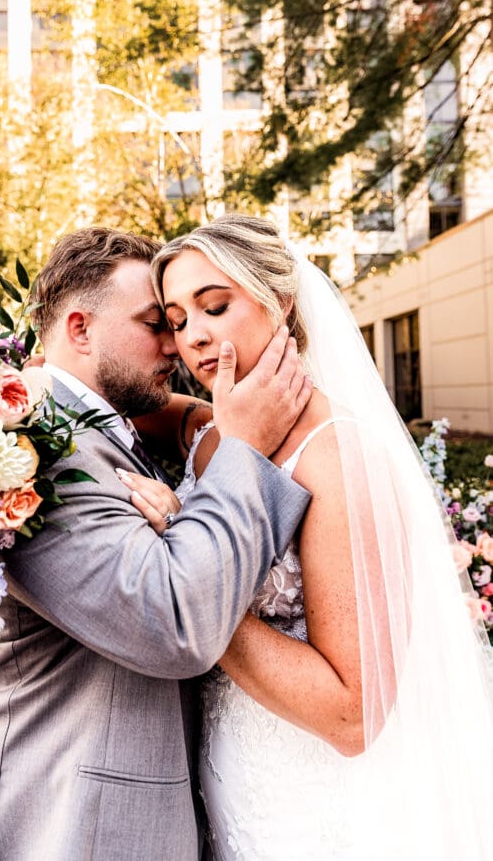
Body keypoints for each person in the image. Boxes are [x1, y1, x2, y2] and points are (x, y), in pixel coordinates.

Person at [122, 214, 493, 860]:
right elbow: (133, 407)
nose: (196, 337)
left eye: (214, 305)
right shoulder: (215, 432)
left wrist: (184, 582)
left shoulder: (338, 453)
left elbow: (353, 716)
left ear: (281, 302)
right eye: (178, 321)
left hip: (312, 802)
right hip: (226, 772)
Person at [0, 227, 313, 861]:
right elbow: (174, 622)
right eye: (156, 323)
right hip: (70, 825)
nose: (177, 344)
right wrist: (243, 447)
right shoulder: (33, 455)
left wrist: (209, 426)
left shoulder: (99, 426)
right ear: (81, 329)